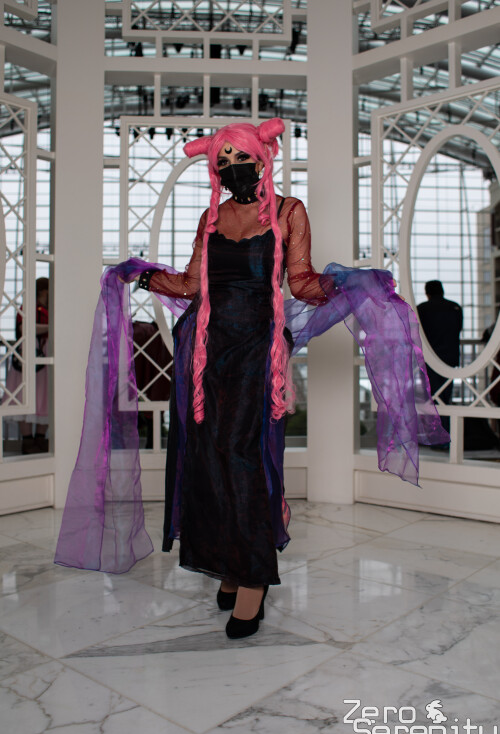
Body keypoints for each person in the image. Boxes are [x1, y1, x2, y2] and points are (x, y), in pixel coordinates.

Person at [54, 119, 448, 638]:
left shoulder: (288, 212)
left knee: (245, 457)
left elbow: (301, 283)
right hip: (206, 352)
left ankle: (253, 577)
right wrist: (141, 275)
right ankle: (228, 562)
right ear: (214, 170)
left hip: (258, 352)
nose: (234, 169)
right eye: (223, 162)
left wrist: (353, 284)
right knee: (209, 457)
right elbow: (192, 284)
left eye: (243, 159)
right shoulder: (211, 218)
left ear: (264, 158)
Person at [2, 277, 50, 454]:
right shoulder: (28, 308)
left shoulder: (49, 309)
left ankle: (39, 439)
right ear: (42, 291)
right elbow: (24, 329)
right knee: (25, 395)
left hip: (45, 358)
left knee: (44, 397)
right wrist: (50, 327)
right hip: (28, 356)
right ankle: (28, 440)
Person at [417, 280, 462, 440]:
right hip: (450, 358)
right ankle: (447, 436)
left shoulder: (422, 309)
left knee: (432, 398)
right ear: (442, 291)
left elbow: (417, 332)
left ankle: (438, 437)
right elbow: (458, 329)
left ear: (427, 293)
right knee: (445, 398)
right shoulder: (455, 307)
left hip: (430, 359)